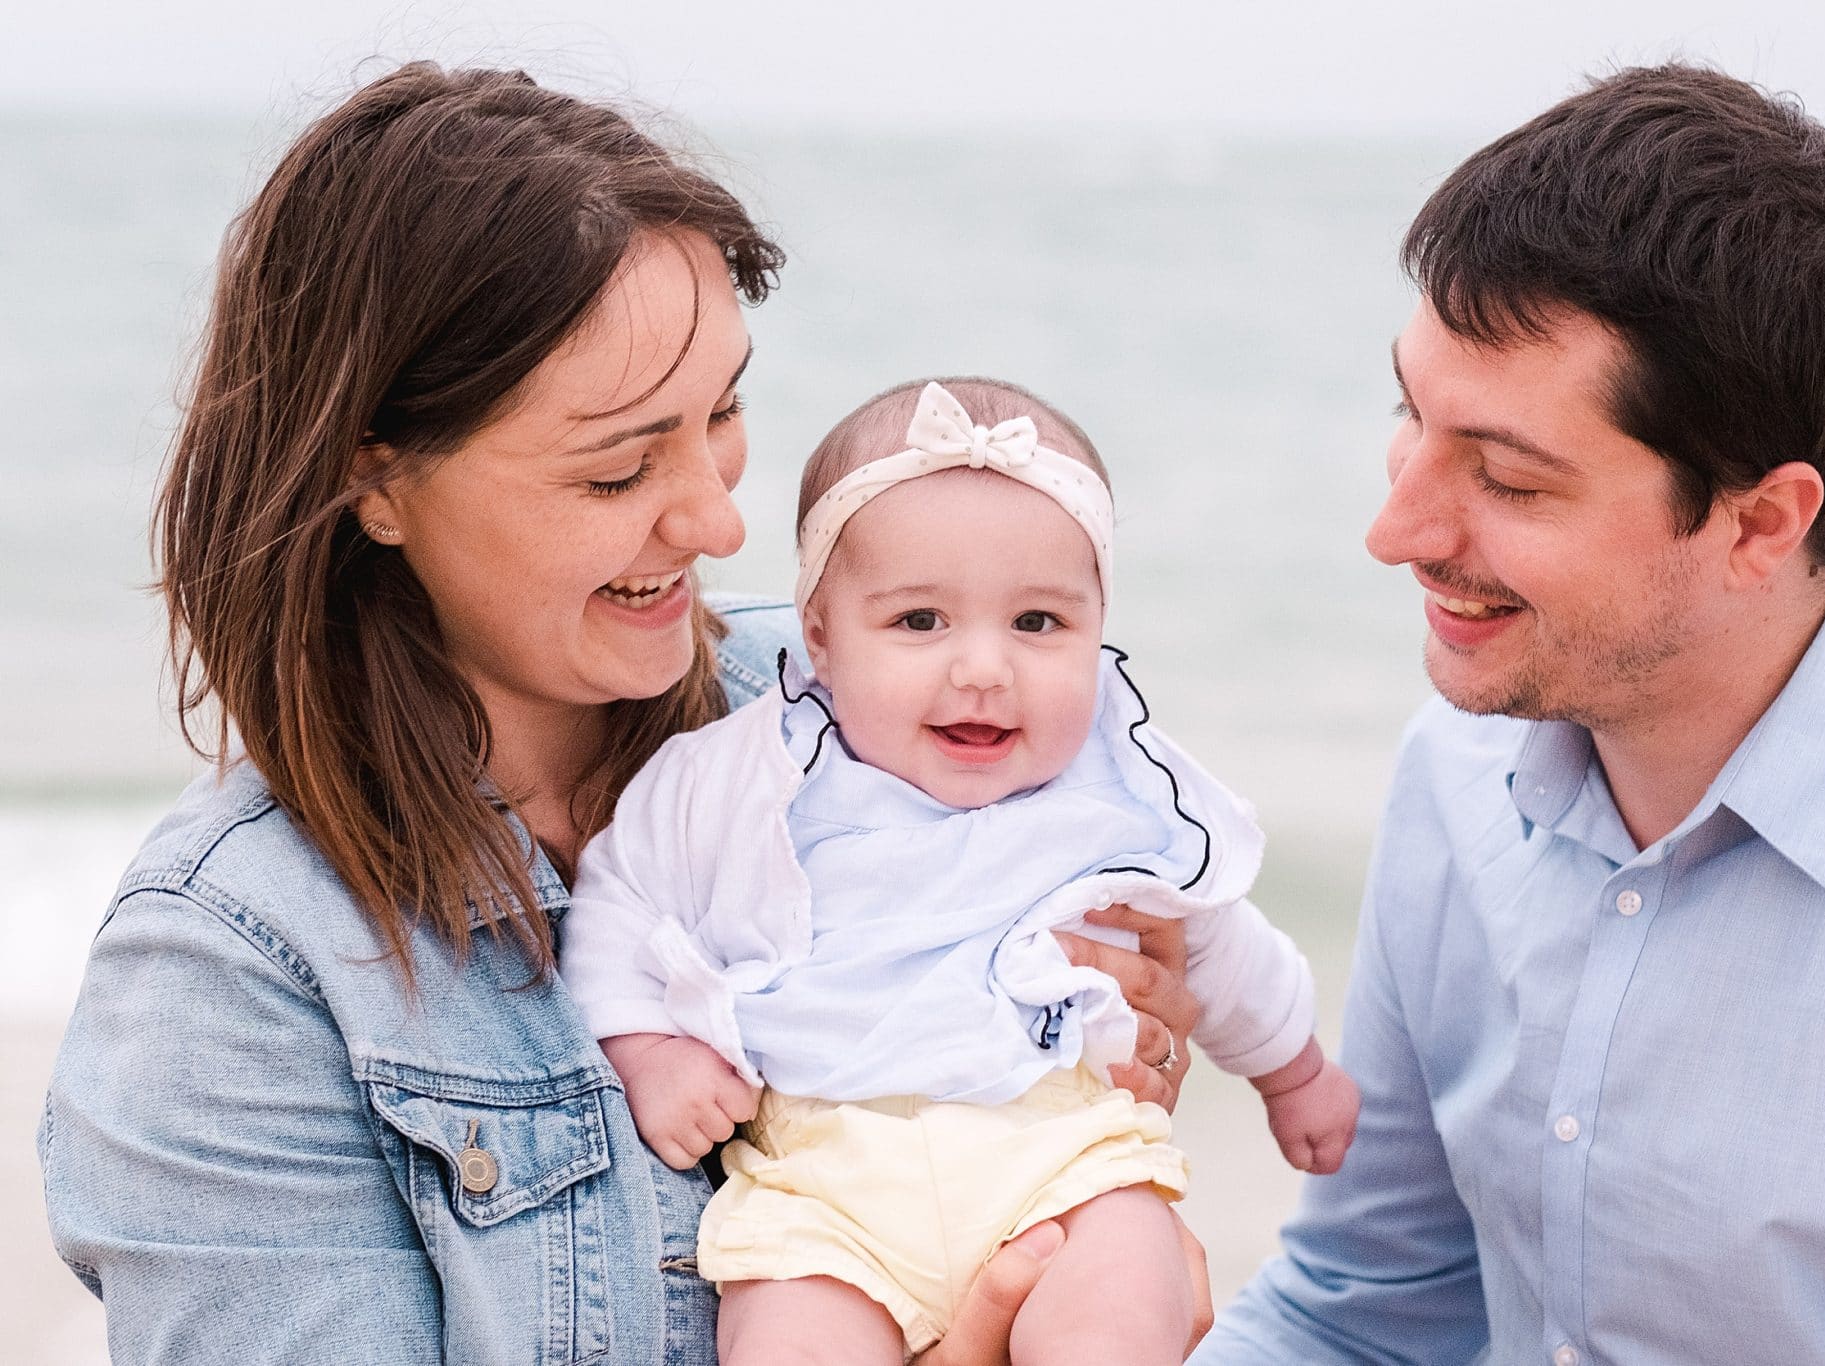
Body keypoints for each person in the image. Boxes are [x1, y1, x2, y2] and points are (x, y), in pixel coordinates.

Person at [36, 62, 1207, 1364]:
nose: (718, 517)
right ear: (374, 478)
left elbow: (1118, 1006)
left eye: (724, 411)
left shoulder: (868, 704)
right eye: (617, 468)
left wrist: (1112, 1028)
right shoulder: (235, 978)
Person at [1199, 63, 1825, 1365]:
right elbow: (1367, 1309)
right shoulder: (1460, 765)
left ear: (1761, 522)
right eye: (1409, 417)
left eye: (1507, 478)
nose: (1394, 530)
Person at [558, 377, 1361, 1363]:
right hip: (820, 1190)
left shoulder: (1106, 798)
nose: (983, 668)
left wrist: (1295, 1072)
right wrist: (652, 1052)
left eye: (1036, 624)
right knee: (787, 1338)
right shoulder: (743, 779)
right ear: (818, 635)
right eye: (919, 622)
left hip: (1060, 1163)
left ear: (1098, 624)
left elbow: (1218, 941)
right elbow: (619, 911)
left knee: (1118, 1296)